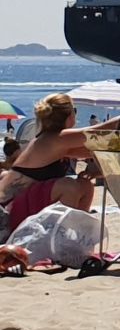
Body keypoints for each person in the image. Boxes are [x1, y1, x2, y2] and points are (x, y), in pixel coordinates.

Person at [0, 94, 93, 232]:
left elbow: (92, 149)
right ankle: (61, 239)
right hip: (6, 216)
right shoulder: (55, 139)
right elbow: (98, 133)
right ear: (70, 115)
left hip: (18, 207)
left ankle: (76, 236)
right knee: (69, 186)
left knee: (85, 185)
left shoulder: (52, 141)